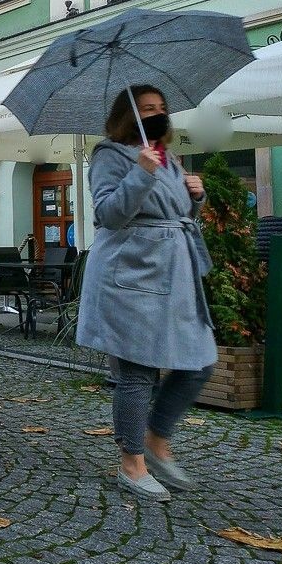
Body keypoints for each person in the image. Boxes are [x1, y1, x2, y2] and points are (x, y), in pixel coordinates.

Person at [78, 86, 215, 502]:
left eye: (161, 108)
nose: (157, 114)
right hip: (131, 272)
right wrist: (140, 172)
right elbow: (108, 214)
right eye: (147, 109)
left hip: (176, 273)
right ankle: (132, 463)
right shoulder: (109, 155)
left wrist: (196, 197)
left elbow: (176, 214)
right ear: (128, 116)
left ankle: (156, 439)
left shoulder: (168, 157)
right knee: (137, 371)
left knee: (199, 362)